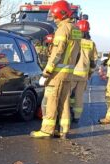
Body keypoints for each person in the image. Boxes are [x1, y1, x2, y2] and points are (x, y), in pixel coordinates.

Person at [30, 1, 82, 139]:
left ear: (61, 14)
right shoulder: (76, 30)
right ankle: (64, 130)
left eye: (55, 15)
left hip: (57, 73)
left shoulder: (63, 29)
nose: (54, 18)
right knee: (64, 101)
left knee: (52, 100)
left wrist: (47, 71)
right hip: (68, 73)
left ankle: (47, 130)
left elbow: (57, 52)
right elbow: (78, 54)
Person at [70, 19, 97, 124]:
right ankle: (77, 117)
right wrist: (90, 73)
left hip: (71, 73)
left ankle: (66, 113)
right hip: (83, 75)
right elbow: (94, 61)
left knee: (67, 94)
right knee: (79, 96)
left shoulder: (74, 40)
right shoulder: (91, 43)